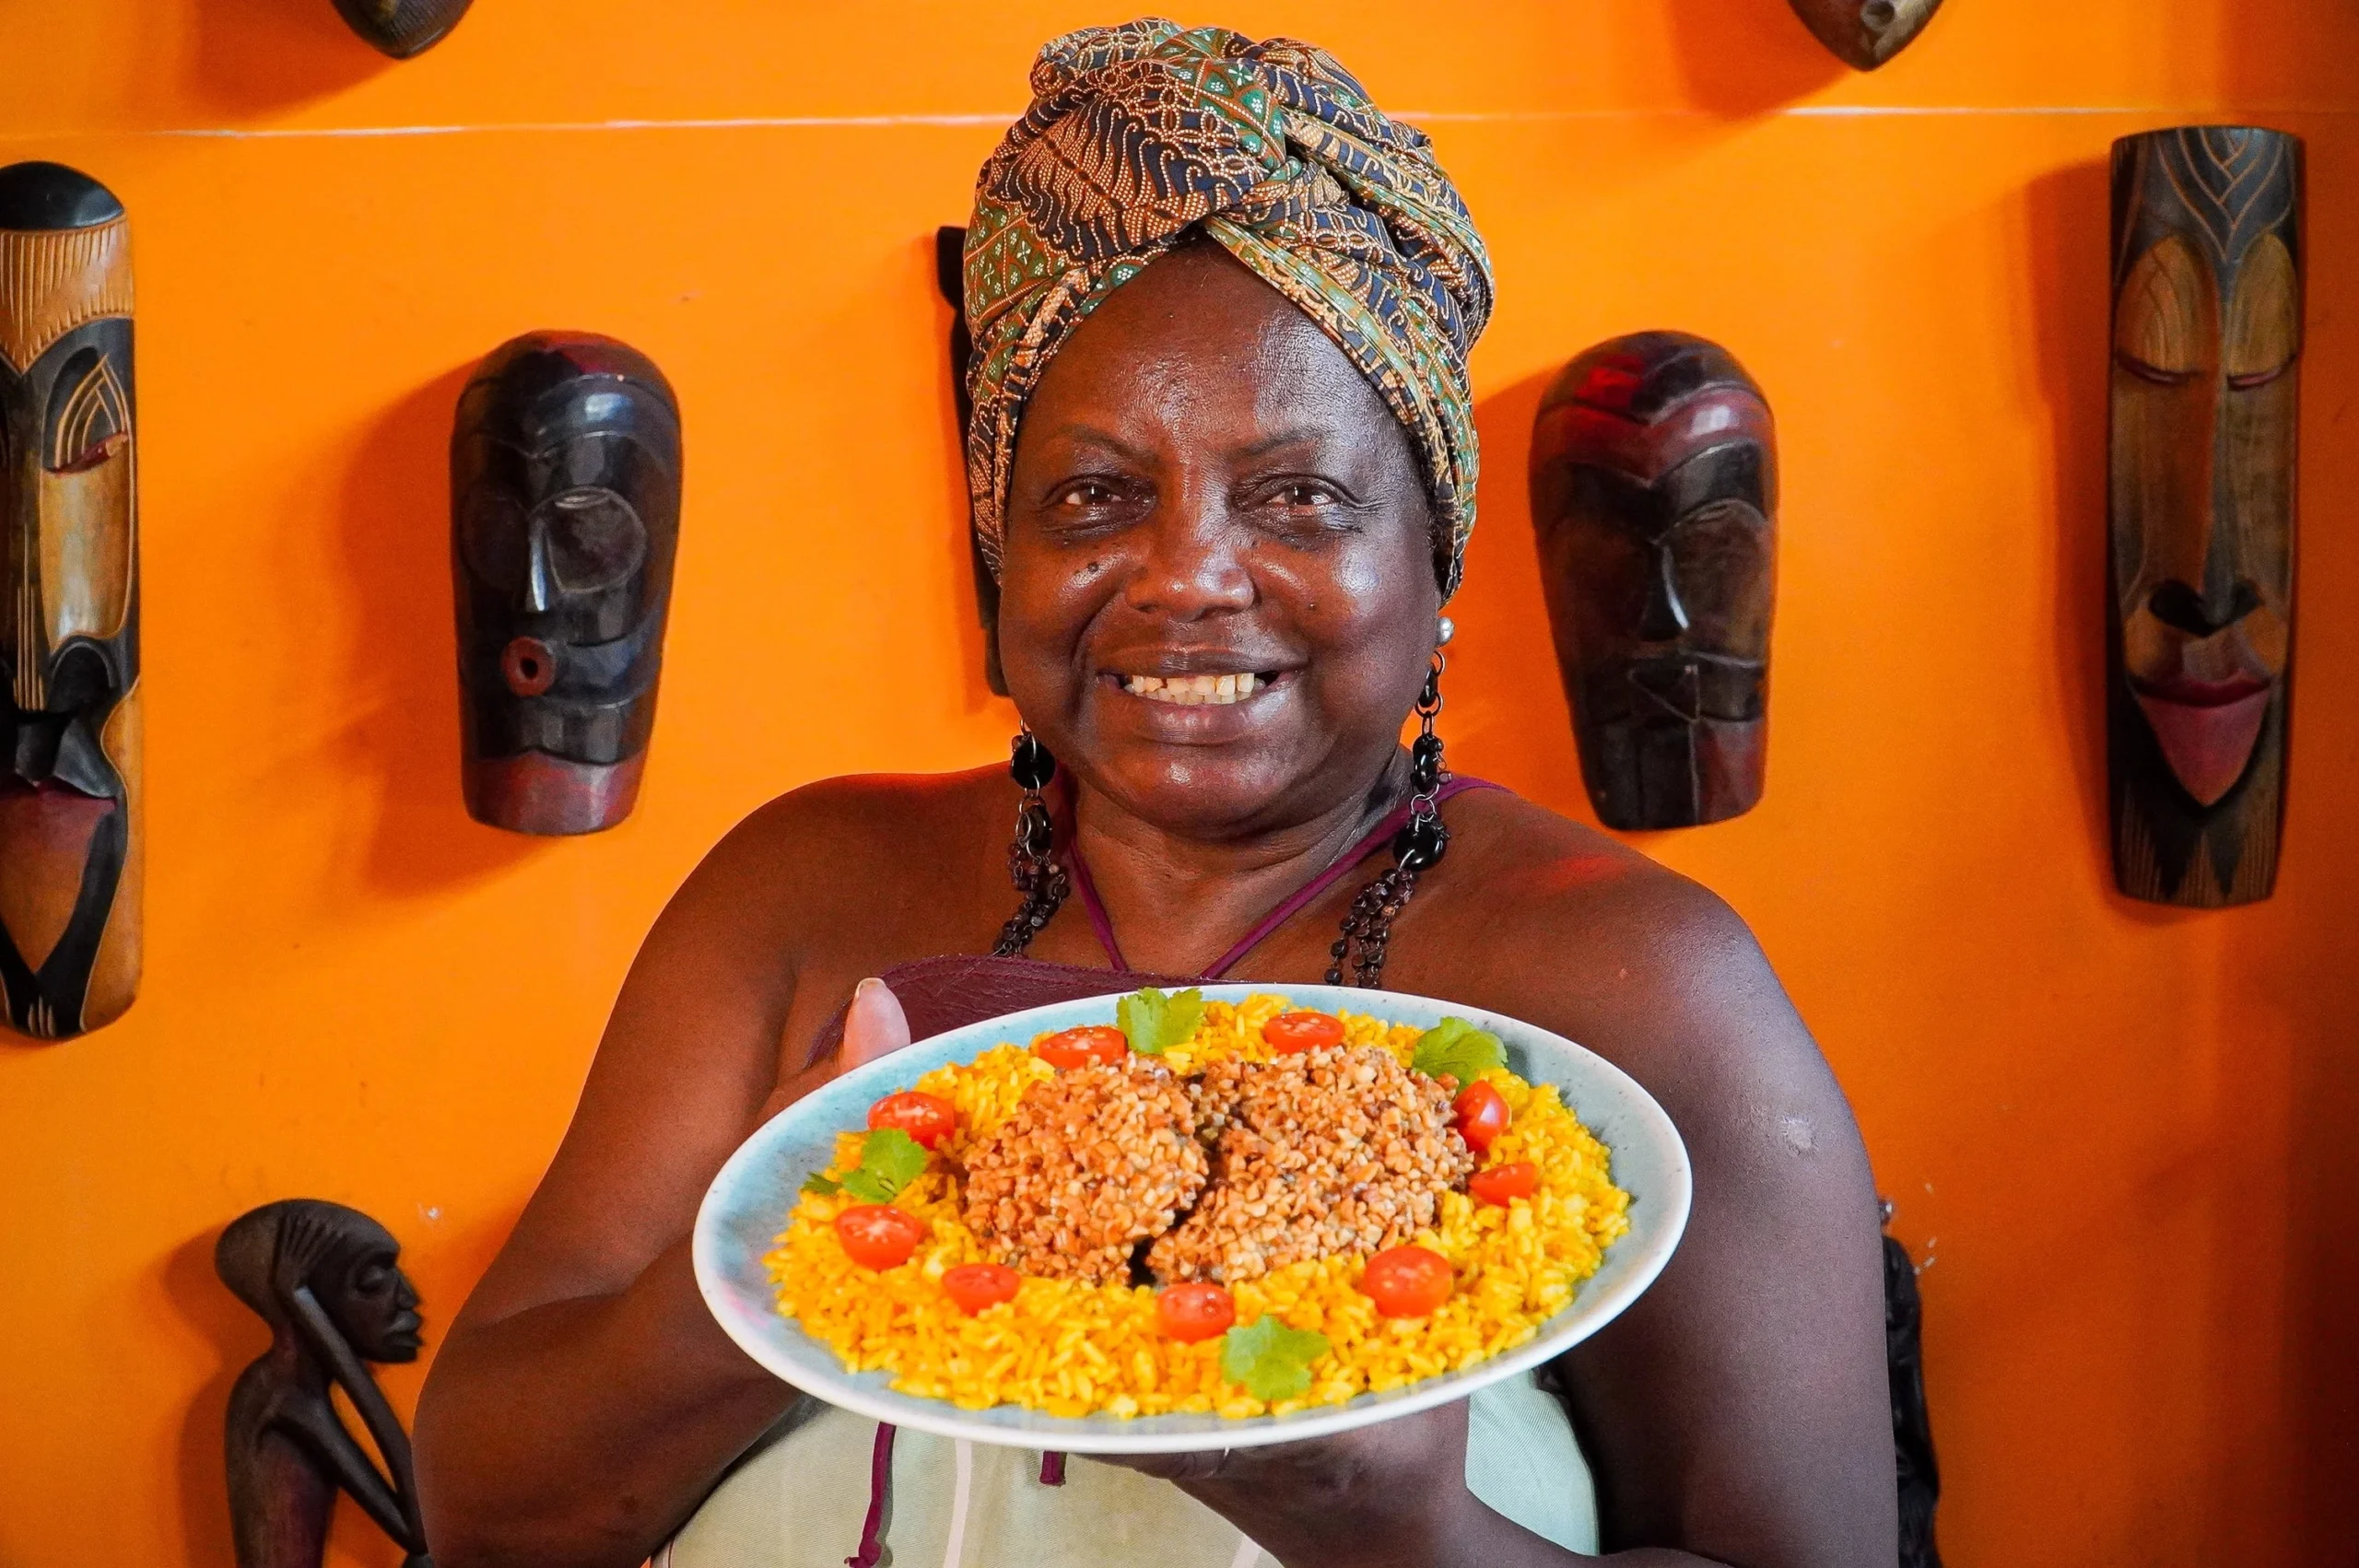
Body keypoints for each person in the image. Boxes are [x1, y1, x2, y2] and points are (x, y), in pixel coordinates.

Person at [413, 20, 1896, 1567]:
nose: (1186, 576)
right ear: (1003, 558)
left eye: (1297, 498)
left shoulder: (1634, 985)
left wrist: (1407, 1535)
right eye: (1095, 496)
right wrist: (791, 1246)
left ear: (1431, 558)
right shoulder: (806, 896)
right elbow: (488, 1508)